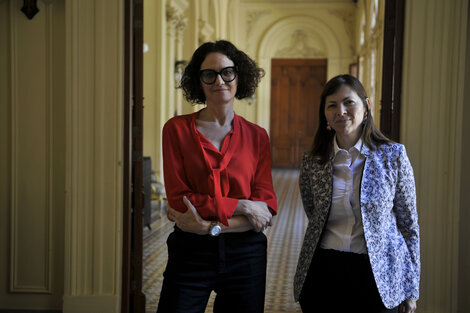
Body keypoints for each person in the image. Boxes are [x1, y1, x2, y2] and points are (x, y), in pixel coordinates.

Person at [157, 40, 277, 313]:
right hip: (190, 254)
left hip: (246, 254)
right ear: (199, 81)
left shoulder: (257, 136)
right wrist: (243, 206)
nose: (219, 81)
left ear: (239, 76)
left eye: (227, 72)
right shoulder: (175, 130)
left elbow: (266, 206)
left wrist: (206, 226)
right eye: (209, 74)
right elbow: (179, 200)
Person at [293, 74, 420, 313]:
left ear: (366, 106)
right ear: (325, 114)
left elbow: (409, 225)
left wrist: (411, 289)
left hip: (378, 273)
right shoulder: (314, 160)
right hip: (324, 270)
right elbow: (313, 212)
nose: (340, 111)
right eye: (332, 105)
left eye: (348, 102)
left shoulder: (393, 156)